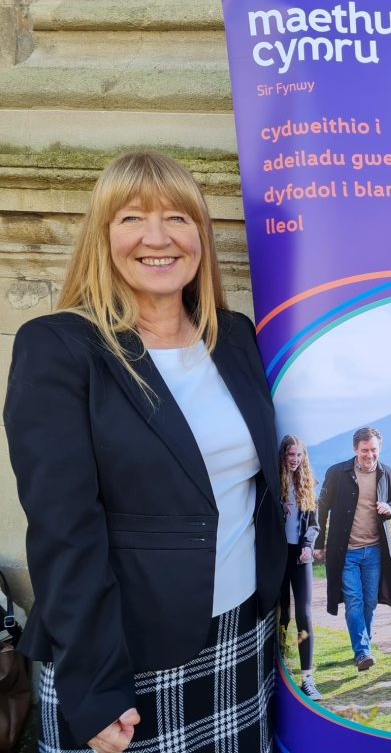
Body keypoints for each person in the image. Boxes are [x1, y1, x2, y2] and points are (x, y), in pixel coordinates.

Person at [4, 151, 287, 753]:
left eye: (177, 219)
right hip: (124, 652)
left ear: (201, 237)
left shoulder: (232, 339)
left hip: (242, 632)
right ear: (103, 237)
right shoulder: (60, 349)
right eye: (132, 218)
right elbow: (65, 533)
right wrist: (97, 685)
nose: (157, 238)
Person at [313, 427, 391, 671]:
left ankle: (364, 645)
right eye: (365, 450)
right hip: (346, 553)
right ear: (355, 449)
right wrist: (318, 544)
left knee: (370, 602)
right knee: (354, 600)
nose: (370, 455)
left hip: (375, 551)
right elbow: (322, 509)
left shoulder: (387, 473)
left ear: (379, 449)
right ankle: (363, 652)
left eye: (374, 450)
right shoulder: (337, 473)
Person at [278, 434, 321, 700]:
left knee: (304, 615)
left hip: (300, 556)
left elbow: (314, 523)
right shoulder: (274, 483)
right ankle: (281, 671)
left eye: (298, 455)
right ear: (283, 456)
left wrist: (307, 545)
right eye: (290, 455)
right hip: (277, 555)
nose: (294, 460)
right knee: (283, 615)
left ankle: (307, 678)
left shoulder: (307, 485)